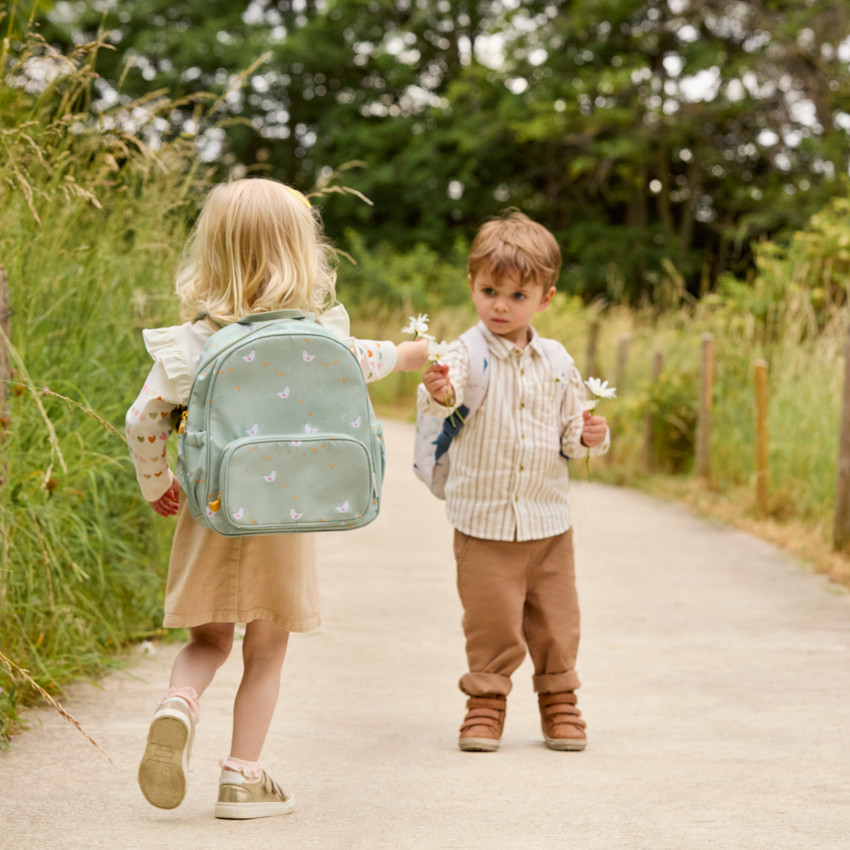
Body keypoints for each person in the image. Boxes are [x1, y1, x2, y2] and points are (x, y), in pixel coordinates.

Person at [126, 178, 428, 818]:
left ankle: (178, 704)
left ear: (211, 256)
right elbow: (378, 359)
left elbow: (142, 420)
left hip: (211, 514)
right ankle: (242, 776)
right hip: (288, 518)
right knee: (267, 650)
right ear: (304, 255)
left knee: (208, 642)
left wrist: (159, 483)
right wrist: (413, 354)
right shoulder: (324, 340)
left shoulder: (189, 344)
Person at [418, 210, 609, 753]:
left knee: (557, 620)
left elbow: (571, 434)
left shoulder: (556, 360)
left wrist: (592, 435)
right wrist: (436, 390)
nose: (500, 305)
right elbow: (442, 399)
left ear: (546, 298)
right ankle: (485, 702)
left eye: (517, 296)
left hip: (548, 522)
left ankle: (560, 701)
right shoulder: (463, 354)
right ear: (472, 285)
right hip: (483, 522)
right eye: (488, 290)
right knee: (490, 621)